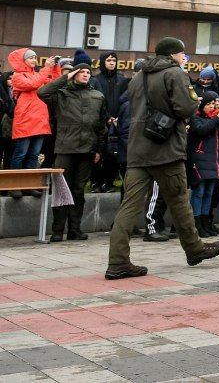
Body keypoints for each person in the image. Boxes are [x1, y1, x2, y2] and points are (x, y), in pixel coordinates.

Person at [105, 37, 219, 279]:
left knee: (129, 206)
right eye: (183, 54)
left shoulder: (138, 77)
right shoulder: (175, 73)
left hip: (138, 148)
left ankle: (117, 262)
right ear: (174, 54)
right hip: (166, 148)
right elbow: (185, 108)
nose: (184, 58)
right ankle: (194, 249)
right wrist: (195, 101)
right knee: (179, 200)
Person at [38, 61, 106, 242]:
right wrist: (66, 76)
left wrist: (98, 149)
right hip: (66, 149)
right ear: (74, 73)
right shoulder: (61, 94)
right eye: (81, 71)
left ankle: (75, 229)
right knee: (62, 190)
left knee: (78, 191)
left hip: (87, 150)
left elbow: (101, 125)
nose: (86, 74)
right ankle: (58, 231)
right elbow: (42, 92)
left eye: (88, 72)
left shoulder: (97, 96)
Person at [8, 48, 61, 174]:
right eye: (30, 58)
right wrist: (46, 68)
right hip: (25, 121)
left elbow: (54, 83)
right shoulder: (17, 76)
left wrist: (55, 67)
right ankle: (15, 185)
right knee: (20, 154)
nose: (34, 60)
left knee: (34, 155)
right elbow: (32, 84)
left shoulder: (38, 75)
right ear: (23, 60)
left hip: (39, 121)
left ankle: (29, 185)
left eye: (34, 57)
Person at [187, 92, 219, 238]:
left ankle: (205, 222)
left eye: (213, 104)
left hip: (214, 161)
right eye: (209, 104)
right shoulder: (195, 118)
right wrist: (217, 118)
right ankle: (196, 224)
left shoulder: (217, 119)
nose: (211, 107)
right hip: (200, 159)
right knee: (199, 192)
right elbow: (201, 130)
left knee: (209, 193)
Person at [90, 52, 129, 192]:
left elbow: (125, 99)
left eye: (114, 60)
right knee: (98, 152)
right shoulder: (96, 80)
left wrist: (118, 117)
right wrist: (106, 117)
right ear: (102, 62)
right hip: (100, 122)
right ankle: (95, 182)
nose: (112, 63)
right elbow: (96, 100)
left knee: (113, 154)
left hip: (117, 122)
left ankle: (108, 182)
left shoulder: (122, 80)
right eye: (108, 60)